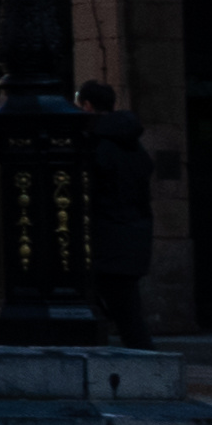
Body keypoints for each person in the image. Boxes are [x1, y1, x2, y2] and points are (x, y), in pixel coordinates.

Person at [83, 78, 164, 343]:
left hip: (108, 238)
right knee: (125, 309)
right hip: (132, 236)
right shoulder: (132, 144)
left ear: (87, 105)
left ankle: (146, 371)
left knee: (125, 314)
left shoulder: (98, 145)